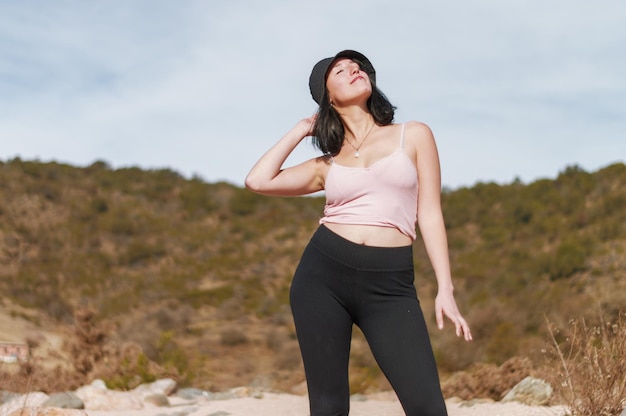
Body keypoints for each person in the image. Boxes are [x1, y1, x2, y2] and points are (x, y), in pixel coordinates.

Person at [245, 49, 472, 416]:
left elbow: (429, 213)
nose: (355, 71)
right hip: (322, 277)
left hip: (390, 284)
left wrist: (445, 287)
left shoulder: (412, 135)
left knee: (427, 406)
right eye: (340, 70)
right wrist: (304, 128)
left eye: (358, 67)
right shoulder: (326, 164)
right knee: (329, 407)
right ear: (327, 96)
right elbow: (257, 180)